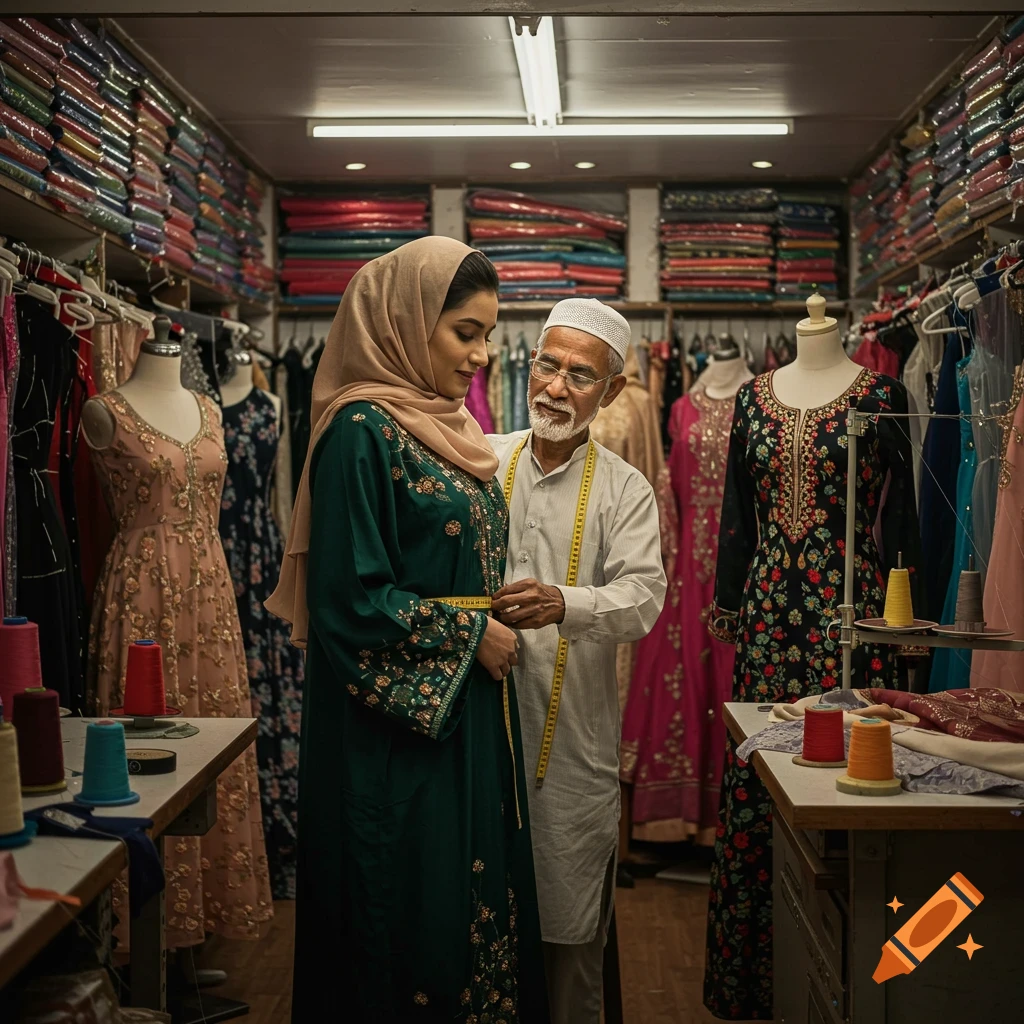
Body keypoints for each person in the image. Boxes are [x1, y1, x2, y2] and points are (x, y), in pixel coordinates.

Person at [266, 236, 550, 1023]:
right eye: (466, 331)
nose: (484, 355)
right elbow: (347, 600)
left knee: (465, 903)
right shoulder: (361, 430)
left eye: (489, 334)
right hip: (395, 737)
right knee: (407, 909)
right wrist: (468, 637)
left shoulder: (445, 426)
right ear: (405, 320)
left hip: (465, 718)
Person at [487, 299, 667, 1024]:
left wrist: (567, 603)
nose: (556, 388)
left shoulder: (625, 488)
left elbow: (644, 597)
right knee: (480, 930)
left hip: (570, 757)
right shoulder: (480, 455)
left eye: (580, 376)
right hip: (475, 744)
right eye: (547, 366)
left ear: (614, 391)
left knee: (570, 951)